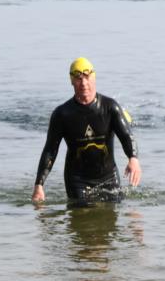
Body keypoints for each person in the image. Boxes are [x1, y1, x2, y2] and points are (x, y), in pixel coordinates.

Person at [32, 58, 141, 206]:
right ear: (71, 81)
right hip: (77, 179)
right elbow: (50, 150)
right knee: (83, 216)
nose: (83, 83)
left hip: (108, 177)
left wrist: (133, 158)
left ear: (94, 77)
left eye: (87, 77)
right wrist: (39, 185)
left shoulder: (110, 108)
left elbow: (127, 135)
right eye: (78, 78)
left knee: (111, 219)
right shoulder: (62, 114)